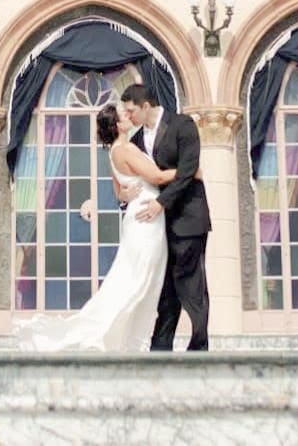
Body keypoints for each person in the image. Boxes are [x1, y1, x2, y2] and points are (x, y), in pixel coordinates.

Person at [15, 97, 177, 352]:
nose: (128, 115)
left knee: (138, 277)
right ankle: (125, 339)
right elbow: (156, 176)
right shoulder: (124, 149)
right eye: (123, 115)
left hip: (141, 215)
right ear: (117, 125)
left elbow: (120, 194)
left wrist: (128, 194)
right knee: (138, 279)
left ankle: (129, 339)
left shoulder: (114, 152)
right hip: (146, 219)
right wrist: (189, 170)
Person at [121, 80, 211, 352]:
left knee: (190, 284)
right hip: (156, 227)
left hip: (188, 218)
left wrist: (161, 202)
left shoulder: (183, 125)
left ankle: (199, 347)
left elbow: (188, 171)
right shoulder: (136, 141)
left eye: (131, 111)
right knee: (164, 289)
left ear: (145, 106)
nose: (128, 117)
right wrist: (127, 197)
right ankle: (160, 349)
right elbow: (138, 177)